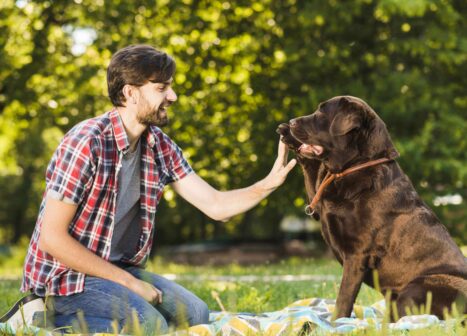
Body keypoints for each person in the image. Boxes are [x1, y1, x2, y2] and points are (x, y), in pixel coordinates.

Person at [10, 45, 296, 335]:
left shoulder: (158, 145)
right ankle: (38, 316)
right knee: (149, 324)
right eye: (161, 88)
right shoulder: (87, 142)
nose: (172, 97)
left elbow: (216, 205)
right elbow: (52, 239)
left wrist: (267, 183)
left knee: (195, 314)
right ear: (130, 93)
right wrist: (130, 284)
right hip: (65, 277)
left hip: (116, 268)